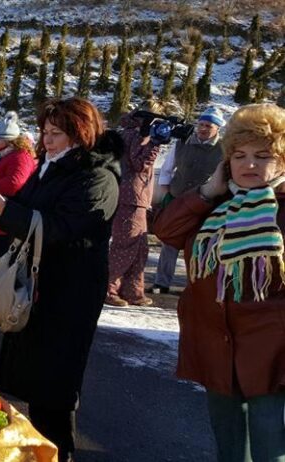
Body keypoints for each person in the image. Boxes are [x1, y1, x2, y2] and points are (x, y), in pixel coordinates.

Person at [0, 98, 121, 461]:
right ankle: (43, 453)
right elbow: (27, 208)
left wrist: (4, 210)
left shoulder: (98, 177)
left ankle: (59, 454)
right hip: (40, 285)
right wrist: (0, 203)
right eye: (45, 131)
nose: (47, 139)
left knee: (55, 388)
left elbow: (60, 227)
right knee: (38, 385)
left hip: (69, 292)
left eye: (57, 133)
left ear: (80, 134)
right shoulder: (51, 168)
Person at [152, 103, 285, 462]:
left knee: (271, 452)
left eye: (263, 156)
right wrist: (207, 191)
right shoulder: (213, 205)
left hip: (272, 356)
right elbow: (165, 230)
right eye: (239, 155)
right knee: (228, 451)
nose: (250, 165)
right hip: (216, 348)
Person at [151, 106, 225, 294]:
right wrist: (167, 192)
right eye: (201, 124)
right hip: (178, 198)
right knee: (170, 242)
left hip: (206, 202)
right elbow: (167, 169)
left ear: (217, 128)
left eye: (208, 125)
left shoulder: (224, 149)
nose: (203, 128)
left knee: (200, 245)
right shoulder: (182, 143)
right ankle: (161, 283)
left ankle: (195, 286)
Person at [105, 102, 165, 307]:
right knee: (125, 246)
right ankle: (108, 288)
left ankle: (132, 290)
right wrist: (155, 144)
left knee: (139, 247)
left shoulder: (129, 132)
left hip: (136, 198)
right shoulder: (138, 134)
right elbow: (139, 164)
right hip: (131, 197)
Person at [0, 111, 37, 258]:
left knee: (5, 262)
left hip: (9, 219)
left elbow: (14, 184)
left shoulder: (20, 157)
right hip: (1, 217)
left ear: (9, 140)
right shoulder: (6, 155)